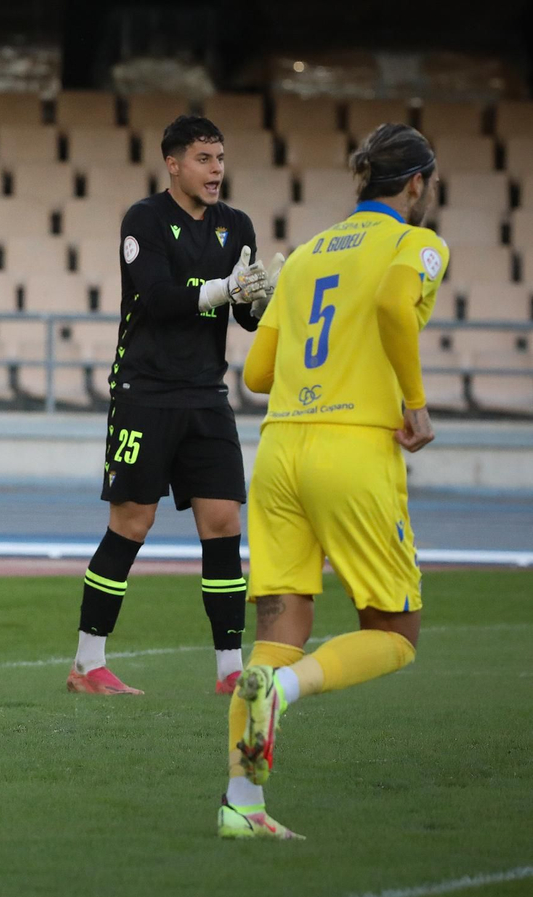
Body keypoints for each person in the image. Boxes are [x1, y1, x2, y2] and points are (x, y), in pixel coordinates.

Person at [217, 123, 446, 840]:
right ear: (415, 184)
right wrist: (414, 401)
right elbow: (387, 306)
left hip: (281, 446)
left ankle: (241, 805)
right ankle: (283, 691)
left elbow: (255, 374)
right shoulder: (419, 242)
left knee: (281, 626)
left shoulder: (311, 251)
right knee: (395, 629)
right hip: (352, 446)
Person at [69, 115, 278, 696]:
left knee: (223, 523)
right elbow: (158, 300)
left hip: (207, 394)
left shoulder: (236, 226)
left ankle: (229, 671)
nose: (216, 171)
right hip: (146, 390)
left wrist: (262, 299)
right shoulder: (145, 219)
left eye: (220, 159)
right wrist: (224, 290)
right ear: (174, 164)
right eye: (205, 160)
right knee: (132, 522)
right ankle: (88, 664)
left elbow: (245, 316)